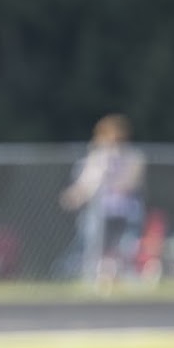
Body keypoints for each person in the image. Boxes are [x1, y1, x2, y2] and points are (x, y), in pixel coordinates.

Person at [59, 113, 146, 286]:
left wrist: (108, 175)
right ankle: (91, 276)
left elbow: (130, 183)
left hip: (125, 212)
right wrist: (75, 194)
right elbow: (85, 185)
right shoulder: (95, 159)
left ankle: (128, 276)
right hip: (100, 214)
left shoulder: (133, 158)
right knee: (91, 243)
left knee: (126, 247)